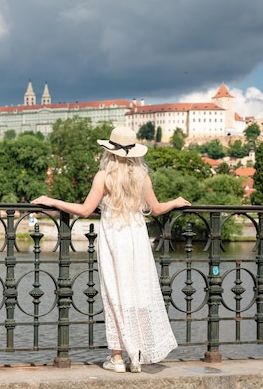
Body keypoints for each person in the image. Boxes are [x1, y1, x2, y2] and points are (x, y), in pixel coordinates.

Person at [31, 126, 190, 373]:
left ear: (110, 152)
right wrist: (176, 202)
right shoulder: (142, 177)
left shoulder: (104, 177)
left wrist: (51, 201)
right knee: (138, 294)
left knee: (115, 294)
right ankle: (136, 355)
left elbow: (85, 210)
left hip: (114, 238)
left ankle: (116, 358)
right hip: (137, 237)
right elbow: (157, 209)